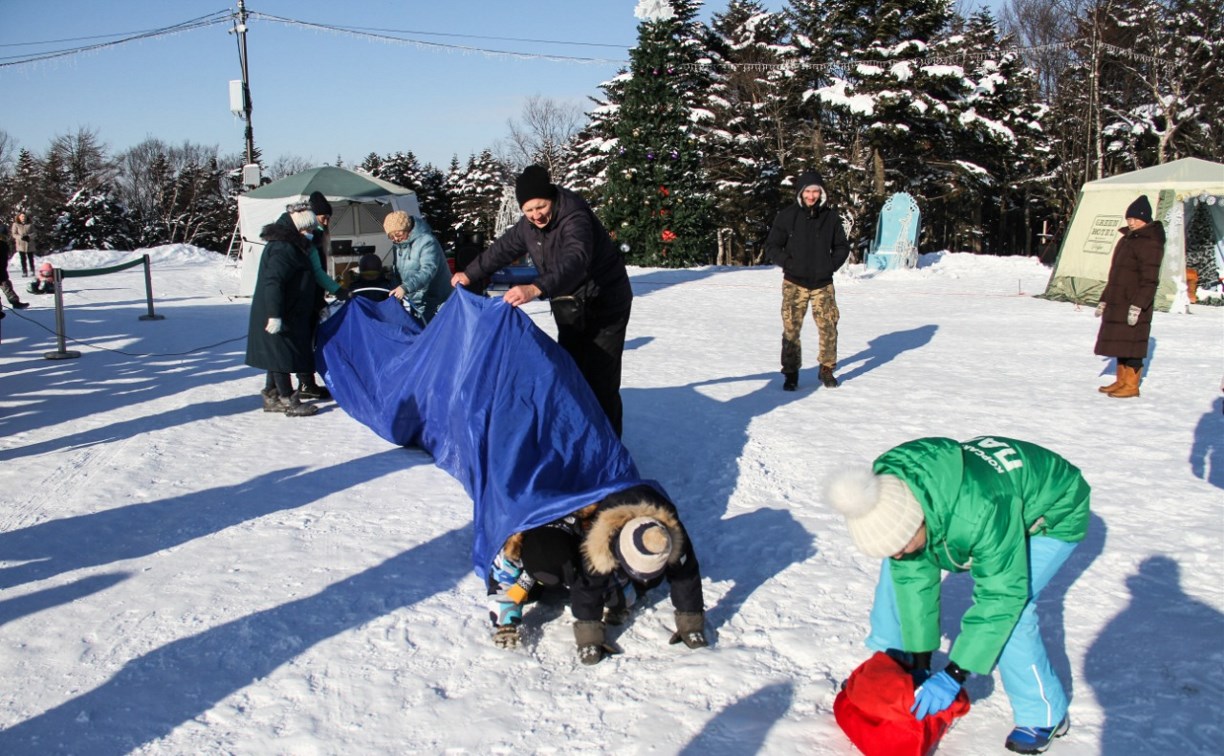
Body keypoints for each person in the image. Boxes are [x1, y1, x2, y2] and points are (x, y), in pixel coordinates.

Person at [825, 436, 1091, 754]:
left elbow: (1001, 597)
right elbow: (912, 579)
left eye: (901, 544)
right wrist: (920, 657)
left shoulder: (979, 512)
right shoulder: (891, 491)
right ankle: (894, 662)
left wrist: (954, 673)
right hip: (982, 503)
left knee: (1014, 612)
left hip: (1052, 513)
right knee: (897, 574)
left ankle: (1044, 714)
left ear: (916, 521)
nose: (897, 555)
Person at [451, 165, 634, 436]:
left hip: (605, 303)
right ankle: (580, 437)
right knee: (569, 372)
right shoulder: (527, 226)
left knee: (600, 379)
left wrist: (536, 288)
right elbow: (501, 250)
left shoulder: (574, 216)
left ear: (552, 198)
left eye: (541, 206)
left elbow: (576, 259)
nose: (536, 215)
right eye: (529, 210)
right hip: (569, 303)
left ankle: (609, 450)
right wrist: (469, 274)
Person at [486, 483, 707, 665]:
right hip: (547, 559)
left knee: (628, 590)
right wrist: (589, 637)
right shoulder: (600, 541)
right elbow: (588, 584)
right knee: (569, 577)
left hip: (624, 523)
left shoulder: (670, 535)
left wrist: (691, 622)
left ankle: (628, 585)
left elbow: (686, 574)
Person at [765, 171, 851, 391]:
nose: (811, 196)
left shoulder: (830, 217)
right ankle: (791, 373)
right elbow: (772, 246)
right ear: (800, 192)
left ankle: (826, 369)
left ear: (821, 193)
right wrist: (788, 262)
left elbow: (842, 246)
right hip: (795, 283)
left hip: (823, 283)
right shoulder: (787, 216)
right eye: (808, 191)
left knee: (829, 326)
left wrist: (830, 265)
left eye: (815, 191)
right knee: (791, 329)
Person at [244, 201, 323, 417]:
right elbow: (274, 282)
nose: (310, 234)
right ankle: (288, 399)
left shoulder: (291, 245)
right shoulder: (283, 248)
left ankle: (272, 395)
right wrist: (274, 315)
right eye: (307, 229)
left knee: (276, 353)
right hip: (280, 311)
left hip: (289, 309)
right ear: (296, 228)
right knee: (282, 354)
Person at [1093, 194, 1164, 399]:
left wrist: (1139, 305)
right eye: (1129, 219)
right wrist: (1105, 299)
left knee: (1133, 343)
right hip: (1118, 300)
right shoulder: (1127, 239)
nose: (1131, 222)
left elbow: (1150, 279)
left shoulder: (1150, 242)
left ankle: (1132, 384)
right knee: (1120, 341)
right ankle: (1121, 380)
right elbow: (1115, 274)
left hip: (1134, 301)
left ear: (1145, 218)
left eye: (1135, 218)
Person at [295, 190, 347, 401]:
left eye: (327, 219)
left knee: (307, 339)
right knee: (305, 340)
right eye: (323, 217)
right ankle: (306, 382)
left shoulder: (316, 235)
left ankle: (294, 382)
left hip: (312, 294)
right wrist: (337, 290)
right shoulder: (311, 237)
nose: (326, 223)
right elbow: (316, 272)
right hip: (307, 296)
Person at [383, 210, 451, 323]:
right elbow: (398, 273)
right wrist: (394, 290)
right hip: (417, 303)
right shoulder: (398, 247)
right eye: (391, 236)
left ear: (408, 229)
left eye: (398, 234)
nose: (395, 238)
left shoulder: (427, 241)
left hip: (437, 301)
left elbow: (428, 271)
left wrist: (405, 287)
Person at [10, 212, 35, 278]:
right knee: (22, 258)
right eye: (22, 216)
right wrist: (21, 237)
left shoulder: (30, 224)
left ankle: (32, 270)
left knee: (31, 258)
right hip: (20, 244)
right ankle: (24, 271)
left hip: (29, 243)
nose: (23, 218)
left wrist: (29, 236)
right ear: (19, 217)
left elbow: (34, 233)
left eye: (24, 216)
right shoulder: (16, 224)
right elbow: (14, 234)